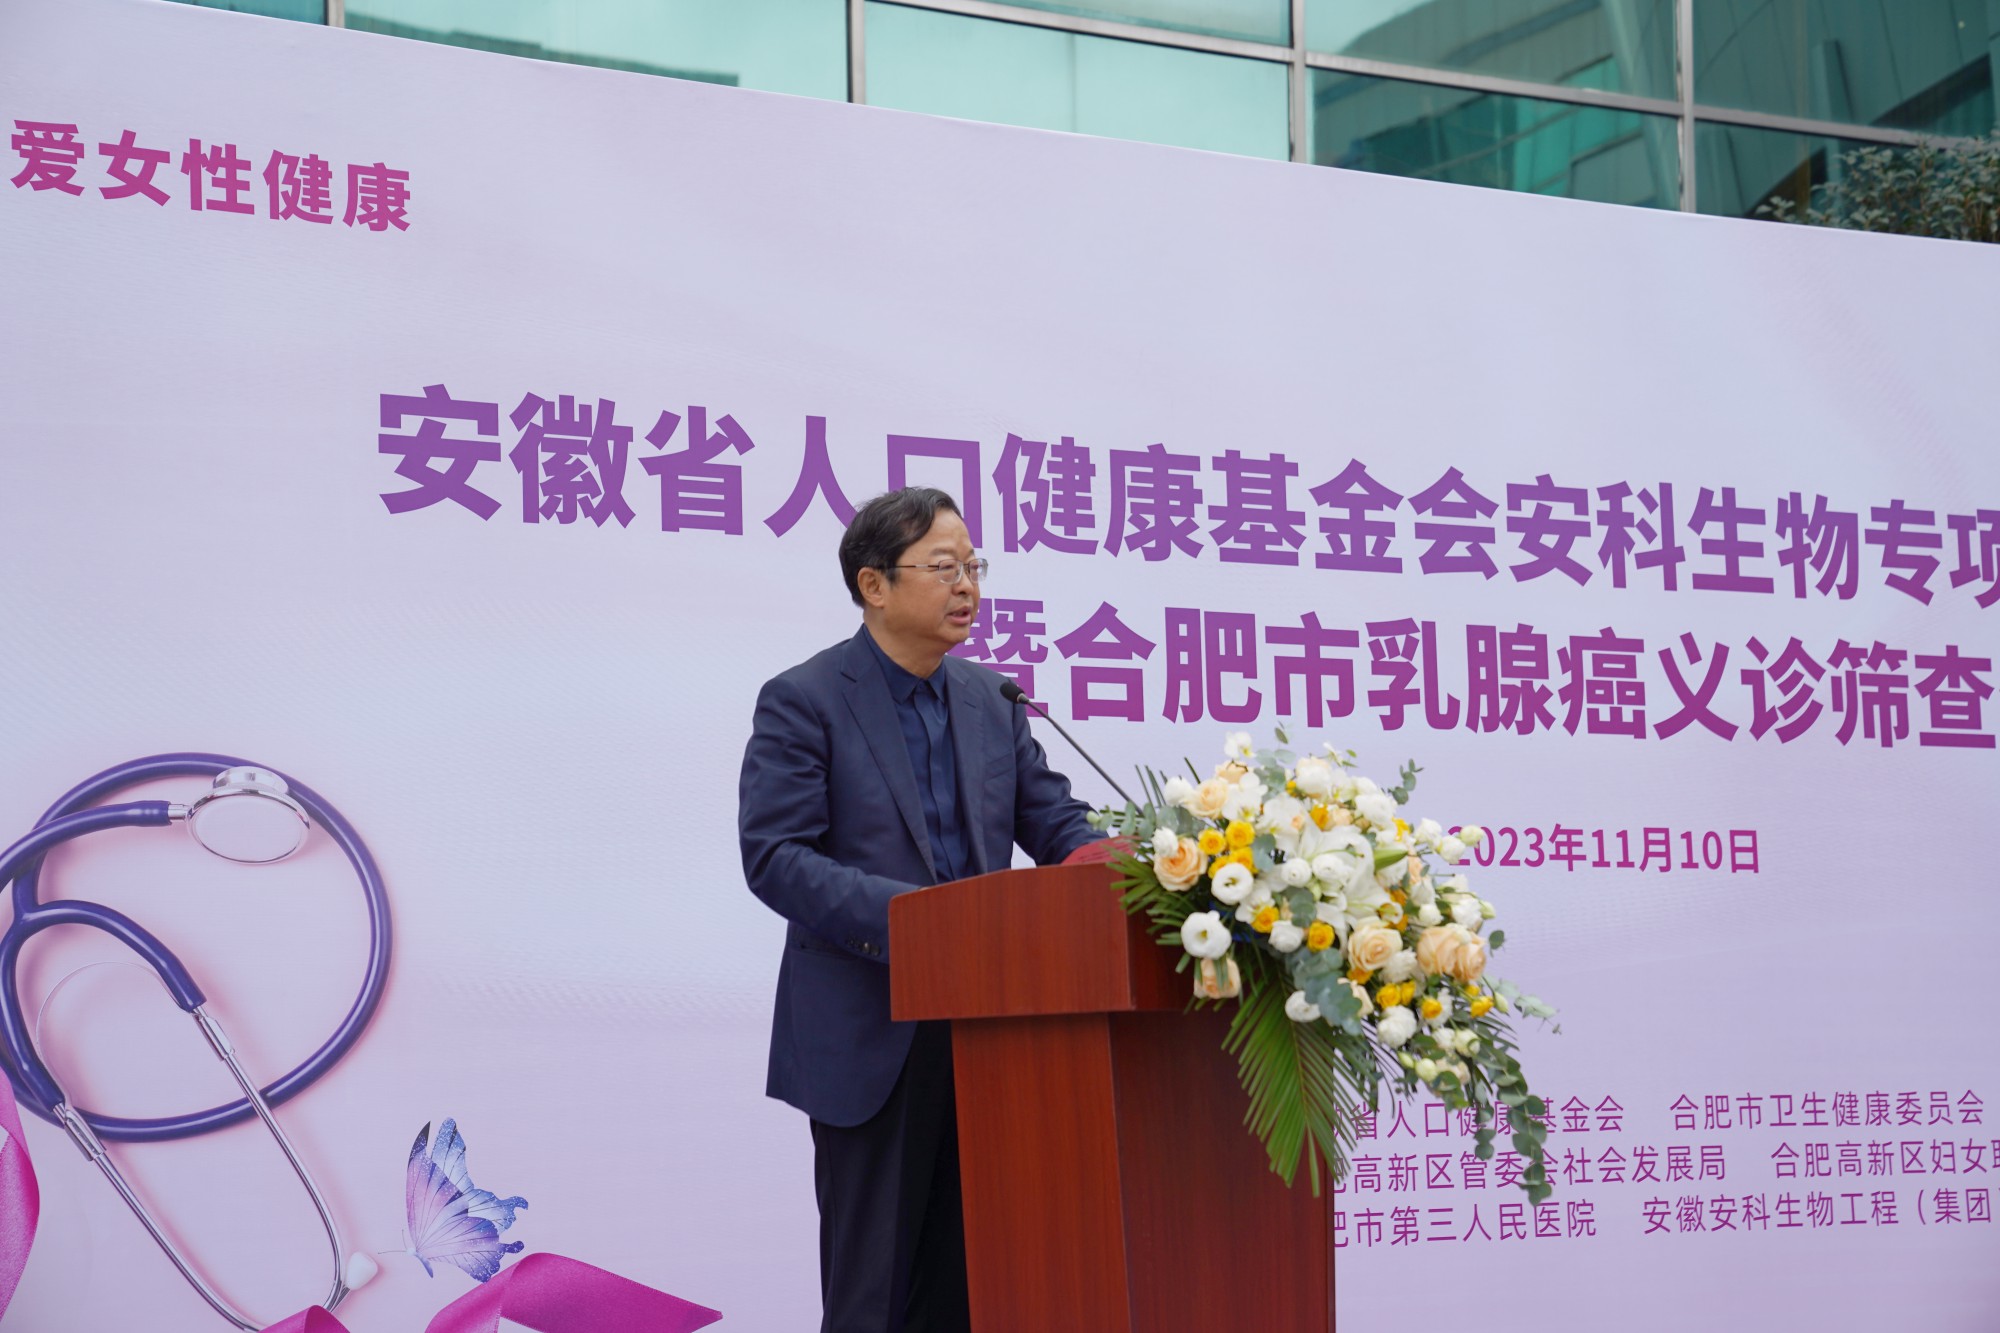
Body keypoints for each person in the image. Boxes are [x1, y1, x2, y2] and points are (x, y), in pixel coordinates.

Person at [737, 486, 1101, 1333]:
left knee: (971, 1290)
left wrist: (1121, 864)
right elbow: (776, 856)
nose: (967, 585)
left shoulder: (991, 700)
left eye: (973, 566)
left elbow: (1055, 822)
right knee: (873, 1295)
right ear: (874, 584)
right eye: (944, 567)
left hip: (990, 1034)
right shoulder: (805, 698)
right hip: (872, 1031)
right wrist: (924, 925)